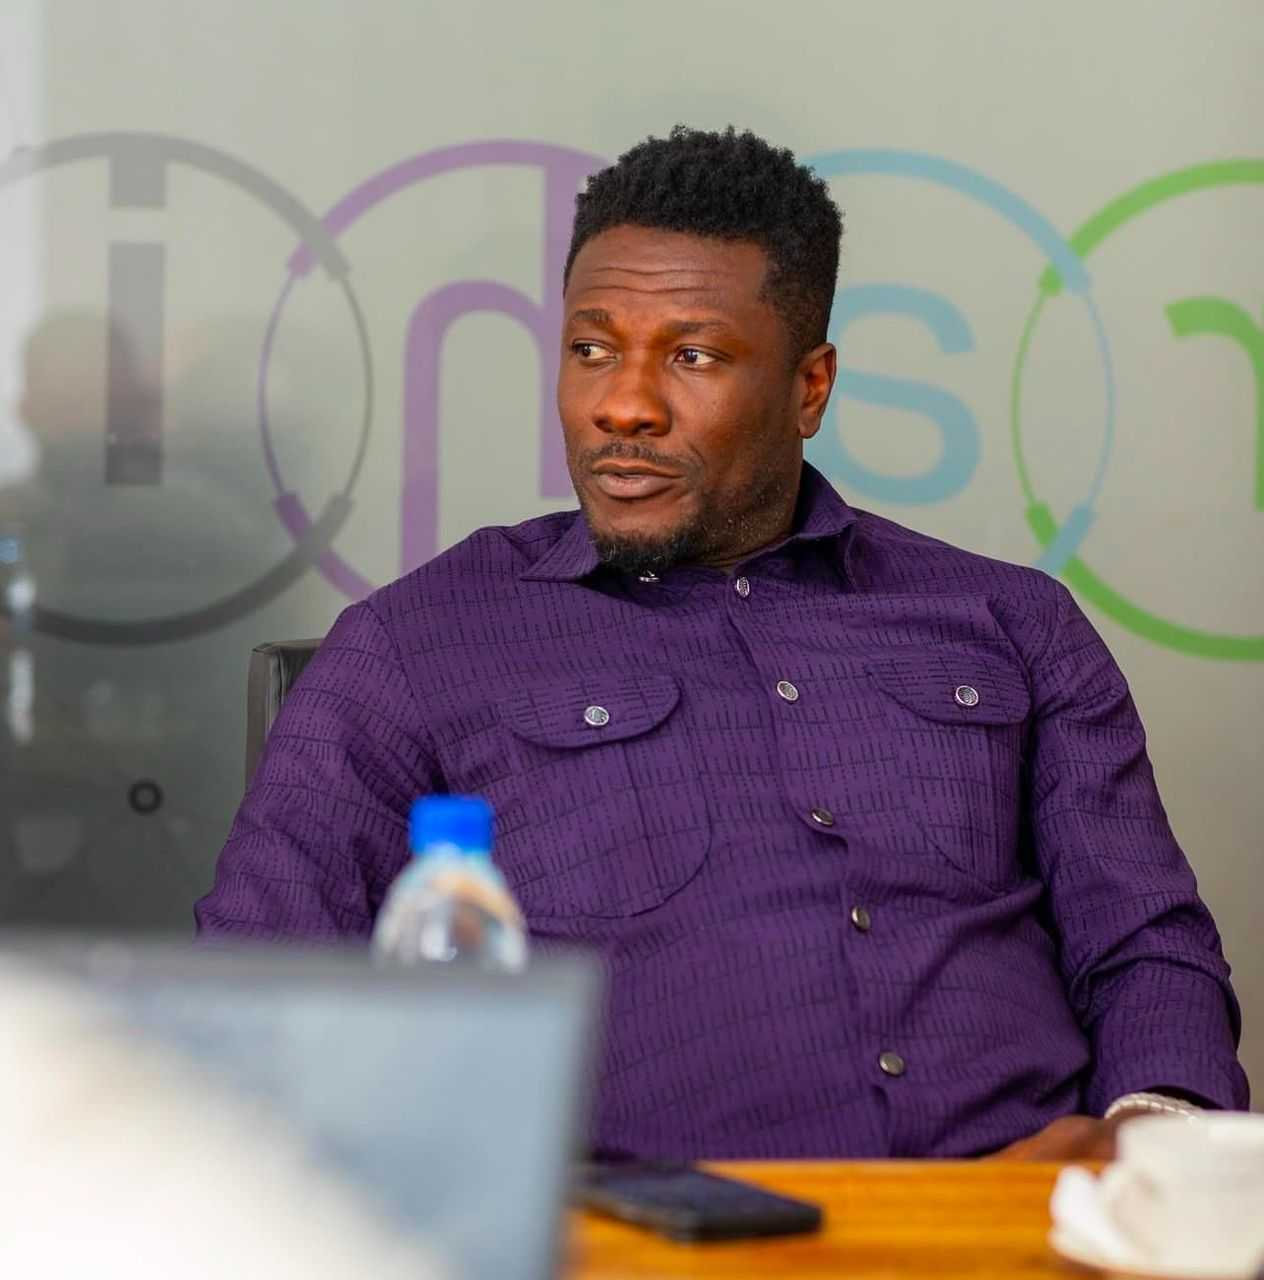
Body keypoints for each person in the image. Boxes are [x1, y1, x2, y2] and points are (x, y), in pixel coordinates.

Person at [197, 126, 1249, 1160]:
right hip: (633, 1229)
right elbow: (257, 994)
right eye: (591, 349)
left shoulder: (1011, 623)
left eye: (691, 356)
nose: (623, 406)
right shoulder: (420, 644)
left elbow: (1145, 943)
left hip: (1017, 1222)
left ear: (809, 388)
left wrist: (1147, 1152)